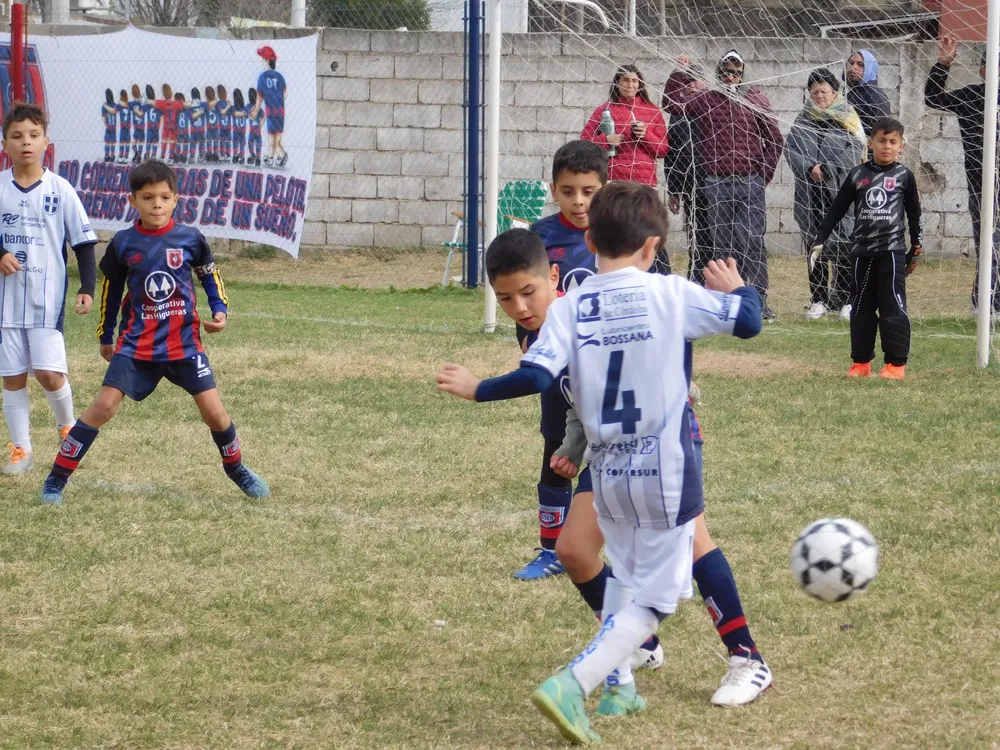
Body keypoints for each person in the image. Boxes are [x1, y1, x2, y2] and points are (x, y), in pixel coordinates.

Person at [436, 182, 763, 744]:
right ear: (652, 246)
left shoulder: (572, 307)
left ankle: (697, 666)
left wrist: (478, 389)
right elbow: (749, 320)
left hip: (615, 471)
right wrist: (743, 288)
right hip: (656, 464)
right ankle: (585, 678)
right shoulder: (668, 292)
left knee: (659, 562)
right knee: (649, 597)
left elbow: (538, 376)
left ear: (589, 238)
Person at [39, 160, 270, 505]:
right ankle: (56, 479)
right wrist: (106, 335)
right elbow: (111, 290)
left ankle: (236, 468)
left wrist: (219, 310)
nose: (157, 204)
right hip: (137, 344)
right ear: (133, 201)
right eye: (148, 197)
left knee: (215, 414)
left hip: (184, 344)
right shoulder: (123, 243)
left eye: (164, 197)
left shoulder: (190, 238)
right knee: (102, 407)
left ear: (176, 199)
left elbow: (209, 274)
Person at [0, 103, 98, 477]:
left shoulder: (61, 189)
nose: (26, 142)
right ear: (5, 143)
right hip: (5, 303)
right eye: (17, 136)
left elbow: (84, 243)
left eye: (33, 135)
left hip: (46, 299)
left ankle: (68, 427)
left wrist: (86, 287)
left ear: (46, 141)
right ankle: (20, 450)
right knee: (12, 376)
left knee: (48, 373)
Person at [664, 50, 784, 319]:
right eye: (726, 71)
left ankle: (758, 301)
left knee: (751, 242)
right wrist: (679, 72)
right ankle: (724, 301)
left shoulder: (756, 100)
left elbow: (775, 139)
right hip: (715, 183)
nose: (731, 76)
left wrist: (763, 175)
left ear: (743, 75)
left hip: (749, 183)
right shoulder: (706, 100)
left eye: (736, 72)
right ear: (719, 74)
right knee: (721, 244)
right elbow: (671, 104)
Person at [812, 117, 923, 380]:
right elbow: (837, 209)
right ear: (870, 142)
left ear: (901, 146)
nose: (887, 146)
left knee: (892, 305)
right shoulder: (857, 174)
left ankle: (896, 365)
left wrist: (916, 245)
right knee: (860, 307)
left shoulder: (904, 176)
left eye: (893, 142)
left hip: (892, 251)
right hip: (861, 251)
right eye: (881, 140)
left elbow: (914, 213)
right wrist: (820, 238)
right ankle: (860, 363)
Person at [925, 36, 1000, 313]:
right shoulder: (972, 96)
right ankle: (984, 300)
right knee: (988, 243)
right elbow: (933, 97)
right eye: (992, 66)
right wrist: (942, 65)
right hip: (981, 185)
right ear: (982, 70)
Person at [785, 68, 867, 320]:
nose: (819, 96)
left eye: (824, 91)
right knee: (814, 244)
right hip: (811, 193)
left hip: (841, 191)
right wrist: (810, 168)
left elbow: (855, 149)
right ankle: (818, 298)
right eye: (815, 91)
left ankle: (844, 299)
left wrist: (828, 169)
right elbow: (791, 150)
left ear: (835, 92)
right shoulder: (802, 120)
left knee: (844, 244)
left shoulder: (848, 118)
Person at [580, 64, 668, 187]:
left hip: (644, 183)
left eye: (634, 81)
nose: (630, 85)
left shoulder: (653, 111)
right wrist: (606, 140)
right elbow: (584, 143)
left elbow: (662, 150)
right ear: (617, 83)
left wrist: (646, 135)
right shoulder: (604, 110)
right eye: (625, 80)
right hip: (613, 181)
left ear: (640, 84)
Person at [662, 69, 703, 280]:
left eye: (695, 81)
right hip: (689, 187)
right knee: (695, 235)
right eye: (687, 82)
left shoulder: (712, 107)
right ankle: (695, 278)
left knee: (719, 236)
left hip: (717, 185)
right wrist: (674, 190)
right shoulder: (679, 115)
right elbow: (673, 155)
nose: (691, 86)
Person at [844, 50, 891, 137]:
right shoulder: (853, 93)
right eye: (851, 63)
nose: (853, 67)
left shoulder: (875, 96)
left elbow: (882, 133)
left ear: (870, 68)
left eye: (860, 65)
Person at [256, 46, 288, 168]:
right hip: (280, 111)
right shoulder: (280, 77)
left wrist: (256, 110)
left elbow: (259, 97)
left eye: (262, 59)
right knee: (277, 138)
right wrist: (278, 100)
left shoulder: (262, 77)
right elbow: (285, 94)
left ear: (266, 60)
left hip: (270, 111)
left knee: (271, 137)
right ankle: (271, 158)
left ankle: (281, 155)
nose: (261, 62)